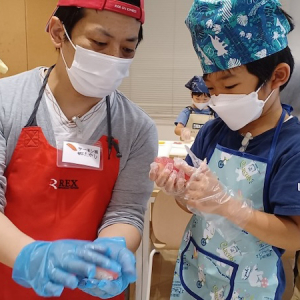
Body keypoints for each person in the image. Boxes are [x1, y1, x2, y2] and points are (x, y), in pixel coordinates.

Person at [0, 0, 157, 299]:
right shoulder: (6, 103)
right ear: (59, 32)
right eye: (100, 43)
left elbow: (126, 211)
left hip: (88, 290)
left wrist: (112, 252)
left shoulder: (136, 128)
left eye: (127, 49)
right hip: (10, 281)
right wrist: (35, 258)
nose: (114, 58)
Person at [150, 0, 300, 299]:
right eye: (211, 88)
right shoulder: (212, 131)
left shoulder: (292, 146)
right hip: (196, 271)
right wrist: (181, 191)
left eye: (229, 87)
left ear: (277, 76)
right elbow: (192, 204)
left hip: (251, 284)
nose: (217, 99)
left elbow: (295, 235)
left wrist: (232, 209)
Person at [174, 76, 214, 142]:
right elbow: (177, 129)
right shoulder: (187, 112)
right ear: (191, 95)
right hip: (190, 145)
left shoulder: (214, 113)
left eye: (205, 99)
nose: (201, 102)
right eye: (197, 99)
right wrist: (183, 131)